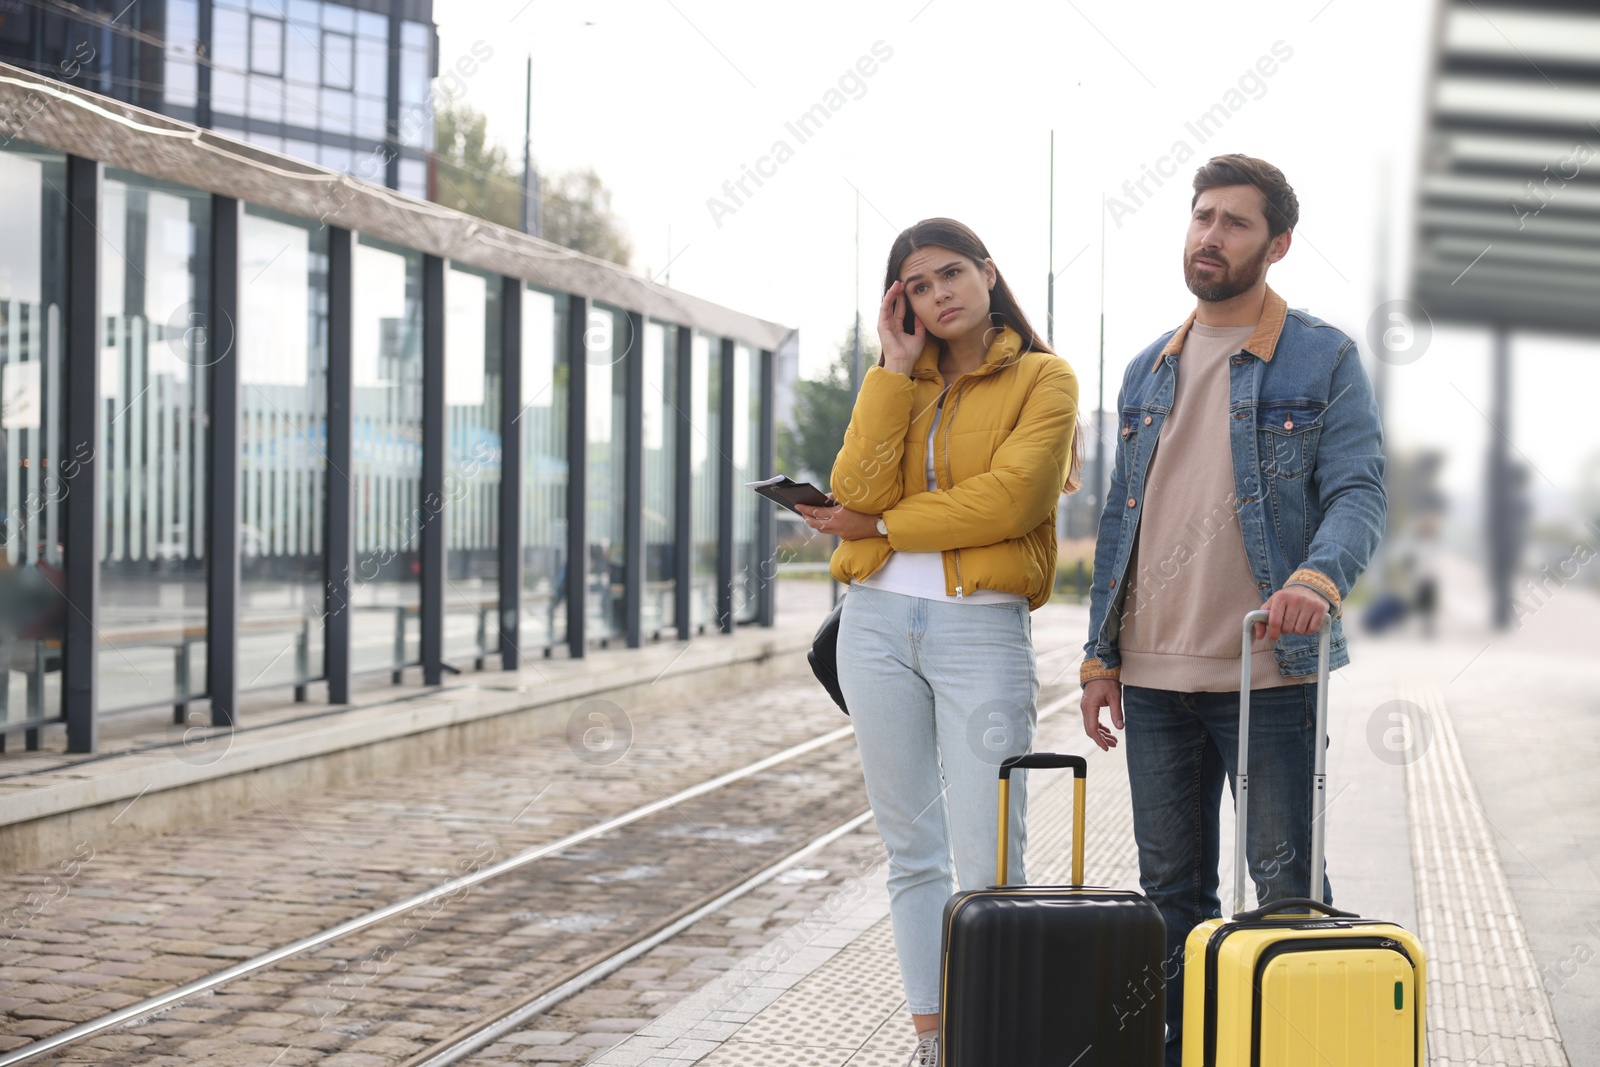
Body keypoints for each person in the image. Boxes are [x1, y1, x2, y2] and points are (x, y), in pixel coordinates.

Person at [1078, 154, 1386, 1067]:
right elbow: (1119, 520)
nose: (1210, 235)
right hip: (1156, 679)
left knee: (1286, 889)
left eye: (1235, 222)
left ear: (1277, 244)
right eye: (1202, 216)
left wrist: (1318, 580)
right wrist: (1100, 655)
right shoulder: (1147, 369)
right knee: (1169, 895)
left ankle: (1297, 1052)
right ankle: (1185, 1054)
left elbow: (1361, 490)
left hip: (1268, 678)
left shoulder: (1322, 356)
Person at [797, 218, 1079, 1067]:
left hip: (979, 631)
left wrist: (878, 523)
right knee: (911, 850)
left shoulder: (1044, 377)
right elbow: (852, 483)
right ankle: (934, 1039)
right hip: (873, 626)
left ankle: (993, 1036)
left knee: (990, 851)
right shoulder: (902, 380)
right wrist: (889, 368)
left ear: (989, 274)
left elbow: (1011, 501)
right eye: (917, 286)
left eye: (951, 273)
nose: (938, 294)